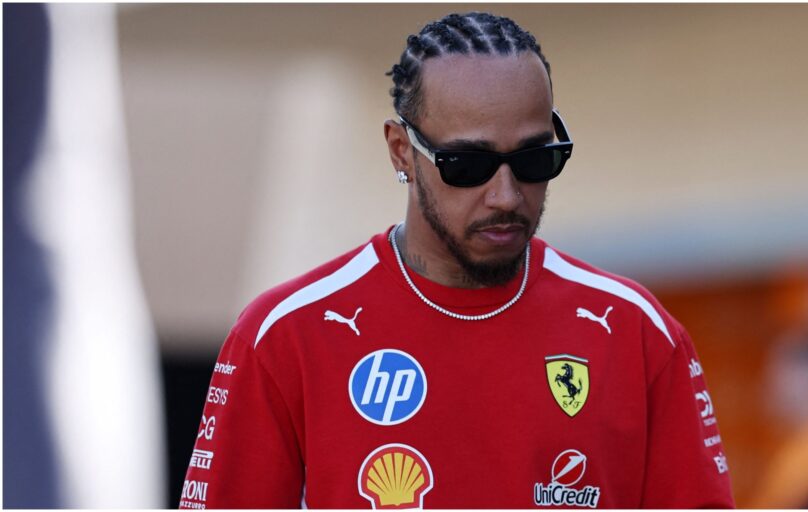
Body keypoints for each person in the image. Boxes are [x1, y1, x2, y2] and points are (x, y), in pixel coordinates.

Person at [181, 11, 733, 509]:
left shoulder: (636, 332)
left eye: (535, 159)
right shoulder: (285, 336)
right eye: (468, 164)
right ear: (402, 150)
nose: (506, 195)